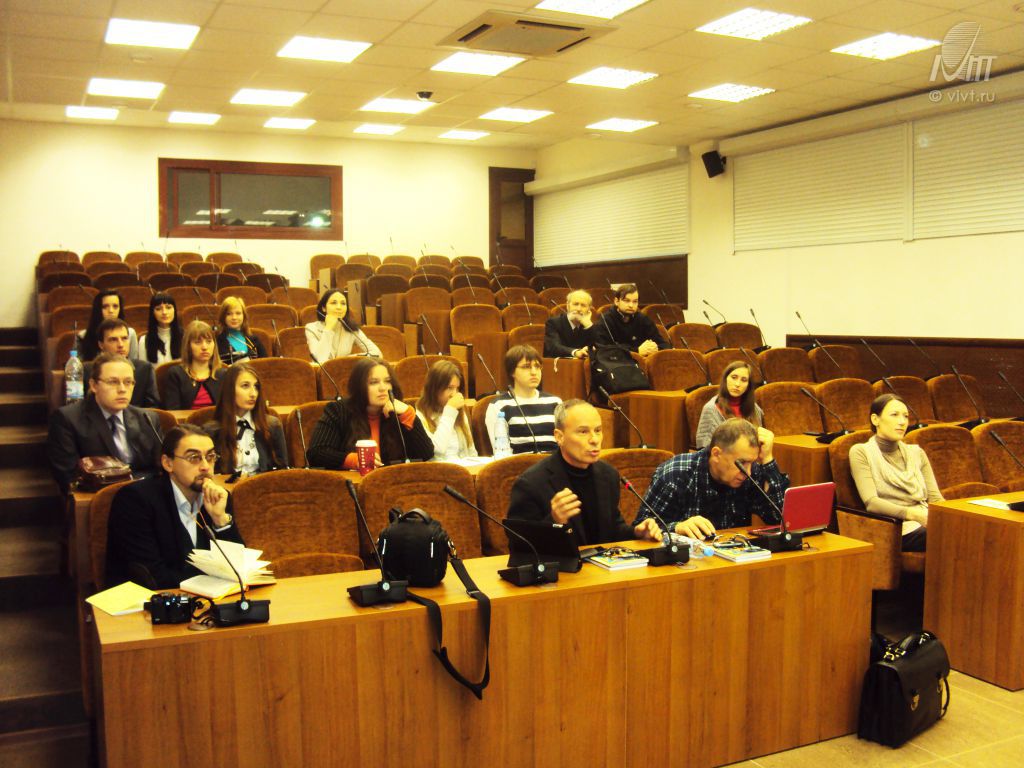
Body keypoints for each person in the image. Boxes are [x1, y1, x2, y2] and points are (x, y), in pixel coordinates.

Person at [105, 424, 244, 589]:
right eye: (194, 457)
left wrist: (220, 520)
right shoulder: (136, 500)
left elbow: (237, 567)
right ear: (168, 463)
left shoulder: (218, 497)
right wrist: (213, 580)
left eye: (210, 457)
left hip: (211, 597)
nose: (205, 466)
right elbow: (151, 576)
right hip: (148, 600)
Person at [507, 400, 662, 546]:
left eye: (598, 430)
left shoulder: (608, 474)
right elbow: (519, 545)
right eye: (583, 432)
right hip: (562, 565)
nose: (594, 439)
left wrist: (636, 533)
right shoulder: (531, 483)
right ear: (559, 437)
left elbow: (612, 531)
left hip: (600, 565)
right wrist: (554, 521)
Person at [639, 418, 788, 539]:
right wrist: (677, 527)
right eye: (741, 463)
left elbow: (781, 520)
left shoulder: (750, 473)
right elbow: (642, 529)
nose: (748, 472)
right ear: (716, 454)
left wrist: (768, 460)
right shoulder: (675, 475)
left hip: (735, 556)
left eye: (752, 462)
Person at [46, 352, 163, 493]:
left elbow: (161, 467)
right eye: (113, 382)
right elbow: (68, 476)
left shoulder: (147, 418)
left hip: (144, 495)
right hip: (98, 497)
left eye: (128, 382)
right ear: (94, 385)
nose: (122, 389)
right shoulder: (67, 419)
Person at [849, 394, 938, 552]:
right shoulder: (861, 452)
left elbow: (936, 499)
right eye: (894, 415)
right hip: (896, 526)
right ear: (875, 419)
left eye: (905, 416)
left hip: (925, 519)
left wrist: (949, 517)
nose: (902, 422)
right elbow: (872, 503)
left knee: (966, 527)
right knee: (945, 535)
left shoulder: (917, 453)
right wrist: (914, 515)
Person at [307, 357, 433, 469]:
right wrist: (355, 460)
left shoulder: (399, 412)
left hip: (391, 483)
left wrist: (408, 414)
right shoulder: (338, 411)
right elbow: (316, 453)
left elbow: (425, 454)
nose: (383, 388)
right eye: (374, 382)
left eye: (387, 381)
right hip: (353, 484)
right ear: (359, 386)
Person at [203, 363, 288, 475]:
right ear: (229, 390)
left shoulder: (272, 425)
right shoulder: (211, 431)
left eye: (256, 387)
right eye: (245, 386)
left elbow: (283, 472)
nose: (253, 394)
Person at [484, 345, 562, 455]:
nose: (534, 372)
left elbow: (565, 443)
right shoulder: (499, 406)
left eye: (537, 366)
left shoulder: (555, 402)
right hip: (519, 464)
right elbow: (501, 453)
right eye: (526, 367)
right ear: (512, 372)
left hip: (554, 463)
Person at [83, 319, 161, 408]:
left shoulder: (144, 369)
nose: (120, 345)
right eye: (113, 340)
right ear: (101, 345)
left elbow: (153, 407)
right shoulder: (87, 370)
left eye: (124, 338)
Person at [416, 360, 478, 461]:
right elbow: (437, 451)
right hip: (439, 469)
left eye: (457, 388)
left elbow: (472, 452)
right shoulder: (419, 416)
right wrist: (449, 411)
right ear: (434, 389)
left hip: (464, 467)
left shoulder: (459, 412)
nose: (454, 394)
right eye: (449, 388)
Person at [695, 360, 764, 449]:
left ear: (748, 385)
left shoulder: (754, 408)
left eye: (744, 380)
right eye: (734, 377)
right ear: (725, 379)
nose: (737, 384)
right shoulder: (711, 409)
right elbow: (705, 447)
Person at [592, 283, 670, 357]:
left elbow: (663, 344)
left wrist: (654, 348)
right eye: (627, 301)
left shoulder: (643, 319)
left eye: (635, 301)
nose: (631, 305)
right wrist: (637, 350)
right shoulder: (605, 321)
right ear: (616, 301)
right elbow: (604, 351)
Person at [161, 321, 225, 410]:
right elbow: (173, 412)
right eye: (198, 342)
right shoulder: (176, 374)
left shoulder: (223, 374)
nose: (204, 347)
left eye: (209, 341)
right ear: (188, 346)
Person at [305, 289, 380, 362]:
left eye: (343, 303)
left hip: (344, 369)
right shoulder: (311, 328)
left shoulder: (351, 327)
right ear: (324, 308)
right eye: (333, 303)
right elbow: (319, 360)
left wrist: (348, 359)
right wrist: (328, 328)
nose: (339, 307)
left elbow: (377, 354)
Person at [77, 289, 139, 361]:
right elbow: (77, 364)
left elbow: (134, 362)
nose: (111, 311)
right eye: (105, 307)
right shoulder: (83, 335)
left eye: (115, 306)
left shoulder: (130, 333)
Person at [544, 289, 595, 359]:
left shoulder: (589, 326)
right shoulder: (554, 322)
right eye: (575, 304)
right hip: (560, 363)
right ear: (568, 306)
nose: (579, 309)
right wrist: (575, 352)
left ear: (589, 309)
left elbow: (600, 346)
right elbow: (553, 347)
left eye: (583, 305)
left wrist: (589, 325)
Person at [216, 296, 267, 365]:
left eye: (238, 313)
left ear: (244, 316)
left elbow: (265, 365)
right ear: (223, 317)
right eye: (229, 314)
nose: (234, 317)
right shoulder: (217, 341)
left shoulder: (254, 340)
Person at [139, 292, 182, 365]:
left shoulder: (185, 338)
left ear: (174, 310)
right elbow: (144, 370)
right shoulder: (144, 341)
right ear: (153, 313)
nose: (164, 312)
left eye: (168, 308)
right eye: (158, 309)